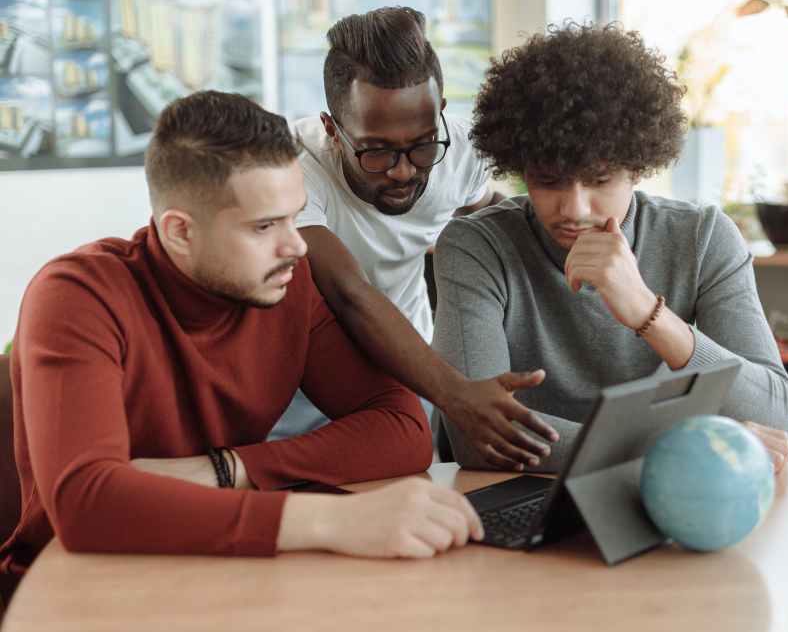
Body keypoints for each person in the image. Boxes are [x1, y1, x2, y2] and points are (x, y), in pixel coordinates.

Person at [0, 91, 483, 595]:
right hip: (75, 590)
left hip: (221, 575)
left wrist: (228, 469)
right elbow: (87, 505)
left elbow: (402, 427)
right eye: (265, 226)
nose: (296, 246)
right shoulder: (76, 296)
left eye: (295, 217)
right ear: (180, 232)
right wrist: (331, 521)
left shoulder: (287, 283)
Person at [432, 23, 788, 473]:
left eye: (600, 180)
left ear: (638, 167)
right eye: (547, 180)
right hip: (531, 500)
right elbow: (476, 438)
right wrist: (680, 448)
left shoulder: (702, 238)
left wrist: (646, 312)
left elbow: (775, 417)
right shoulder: (476, 247)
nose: (573, 207)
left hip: (670, 500)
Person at [275, 6, 558, 470]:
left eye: (423, 144)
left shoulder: (458, 151)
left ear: (440, 115)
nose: (404, 170)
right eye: (377, 151)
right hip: (300, 392)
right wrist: (457, 395)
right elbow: (349, 293)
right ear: (332, 130)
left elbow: (490, 209)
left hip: (410, 379)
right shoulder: (290, 165)